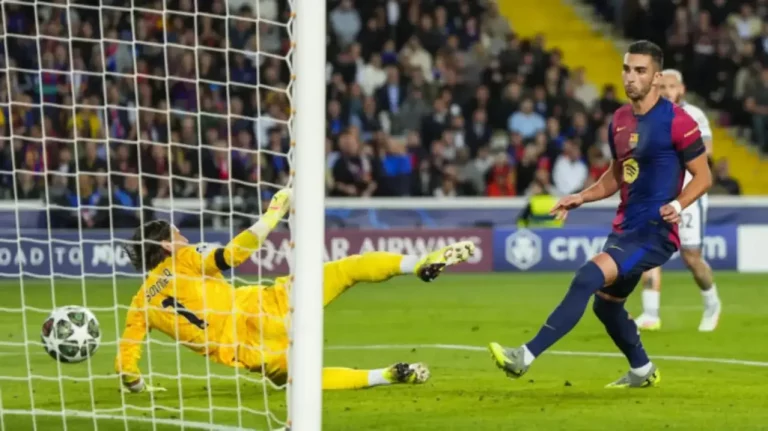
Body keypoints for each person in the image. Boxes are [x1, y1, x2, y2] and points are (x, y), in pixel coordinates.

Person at [488, 41, 712, 388]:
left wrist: (678, 205)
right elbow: (617, 174)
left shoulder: (677, 121)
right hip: (625, 227)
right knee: (606, 307)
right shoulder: (620, 120)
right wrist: (582, 196)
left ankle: (525, 356)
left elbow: (704, 175)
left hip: (655, 232)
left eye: (640, 71)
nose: (631, 77)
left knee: (586, 277)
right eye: (627, 69)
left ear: (656, 77)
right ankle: (642, 370)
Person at [116, 188, 476, 392]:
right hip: (268, 304)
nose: (184, 236)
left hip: (251, 352)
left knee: (301, 380)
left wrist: (137, 386)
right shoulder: (186, 258)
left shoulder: (140, 304)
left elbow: (125, 365)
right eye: (177, 234)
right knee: (348, 269)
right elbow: (232, 255)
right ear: (166, 246)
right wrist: (272, 214)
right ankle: (415, 264)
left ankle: (385, 375)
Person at [635, 69, 722, 332]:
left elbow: (708, 150)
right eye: (661, 87)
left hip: (688, 195)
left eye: (671, 86)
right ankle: (650, 314)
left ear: (680, 89)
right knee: (648, 252)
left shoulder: (694, 115)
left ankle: (712, 303)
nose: (666, 91)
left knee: (691, 258)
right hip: (657, 196)